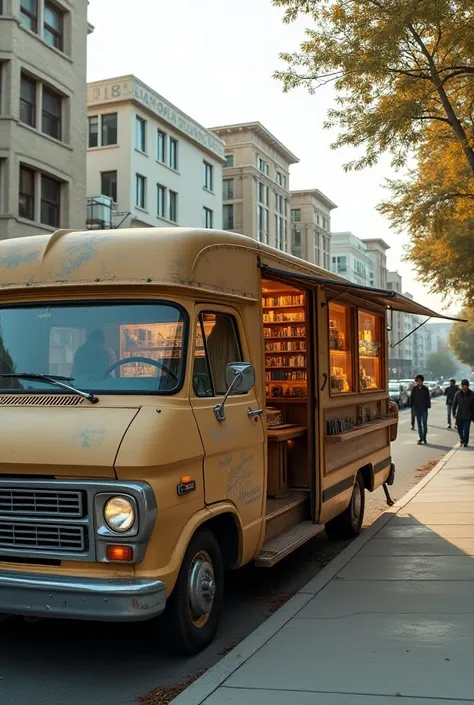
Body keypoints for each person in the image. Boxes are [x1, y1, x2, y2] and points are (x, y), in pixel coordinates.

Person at [409, 374, 431, 445]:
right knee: (419, 424)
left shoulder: (425, 389)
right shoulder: (414, 389)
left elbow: (428, 398)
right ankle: (421, 438)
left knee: (424, 424)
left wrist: (428, 406)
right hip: (416, 409)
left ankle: (424, 438)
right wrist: (411, 405)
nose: (418, 382)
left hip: (424, 409)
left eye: (419, 381)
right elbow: (412, 398)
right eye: (417, 381)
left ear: (422, 381)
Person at [452, 379, 474, 447]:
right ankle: (461, 438)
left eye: (465, 387)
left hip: (468, 415)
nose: (464, 388)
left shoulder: (472, 394)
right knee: (459, 429)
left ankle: (465, 442)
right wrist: (453, 412)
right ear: (461, 386)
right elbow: (454, 404)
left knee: (466, 430)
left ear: (468, 386)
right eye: (463, 387)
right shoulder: (458, 394)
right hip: (459, 415)